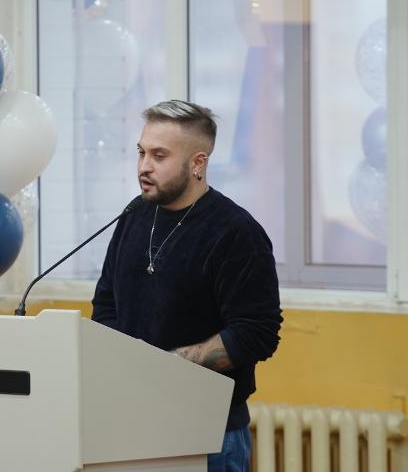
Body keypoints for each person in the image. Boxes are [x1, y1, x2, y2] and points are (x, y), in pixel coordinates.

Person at [91, 99, 282, 472]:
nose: (144, 166)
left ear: (198, 163)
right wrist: (126, 364)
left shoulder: (235, 232)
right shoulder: (133, 216)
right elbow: (106, 306)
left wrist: (169, 365)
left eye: (159, 156)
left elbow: (256, 331)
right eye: (141, 152)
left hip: (209, 433)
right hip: (132, 423)